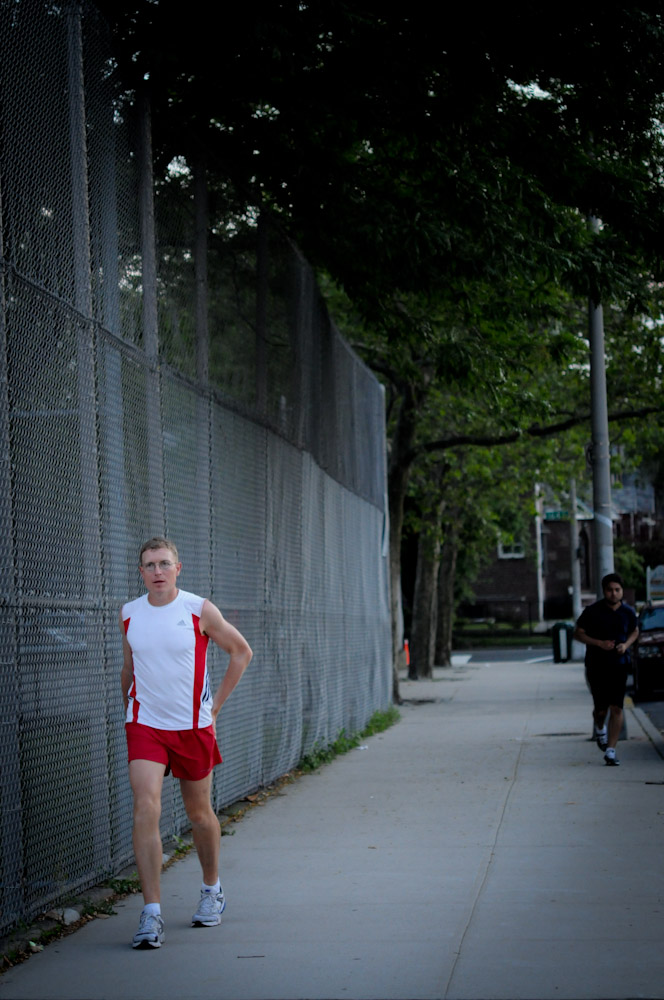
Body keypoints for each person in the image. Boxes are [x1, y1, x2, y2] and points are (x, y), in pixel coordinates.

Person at [120, 537, 252, 948]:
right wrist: (129, 710)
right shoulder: (129, 613)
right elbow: (129, 667)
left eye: (164, 564)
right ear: (141, 572)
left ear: (178, 568)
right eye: (149, 565)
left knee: (199, 814)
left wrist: (214, 709)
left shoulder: (198, 609)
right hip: (145, 724)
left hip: (192, 726)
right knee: (146, 807)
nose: (157, 571)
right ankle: (151, 913)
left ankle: (212, 889)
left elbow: (241, 652)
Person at [573, 572, 638, 767]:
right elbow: (578, 634)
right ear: (604, 591)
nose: (614, 593)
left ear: (622, 591)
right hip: (597, 666)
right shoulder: (592, 611)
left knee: (617, 707)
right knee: (601, 710)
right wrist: (599, 643)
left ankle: (611, 751)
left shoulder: (628, 612)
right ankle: (599, 728)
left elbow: (634, 631)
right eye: (610, 590)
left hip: (619, 666)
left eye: (617, 590)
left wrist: (625, 645)